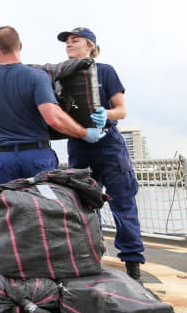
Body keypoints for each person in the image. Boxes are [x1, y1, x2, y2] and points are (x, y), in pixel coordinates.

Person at [0, 26, 103, 185]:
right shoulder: (37, 76)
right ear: (20, 46)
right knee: (44, 207)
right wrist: (84, 133)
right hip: (36, 158)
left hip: (2, 159)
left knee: (3, 207)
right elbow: (53, 118)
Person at [59, 27, 146, 279]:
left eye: (75, 41)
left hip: (108, 145)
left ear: (90, 47)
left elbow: (121, 109)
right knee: (85, 204)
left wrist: (105, 114)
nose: (69, 45)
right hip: (79, 142)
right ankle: (92, 257)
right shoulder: (62, 76)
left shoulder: (106, 71)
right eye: (67, 42)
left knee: (122, 202)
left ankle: (133, 265)